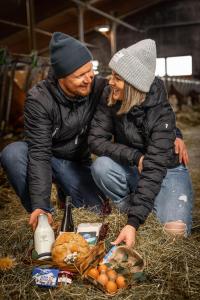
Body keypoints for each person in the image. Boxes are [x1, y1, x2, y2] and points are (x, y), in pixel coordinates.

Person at [0, 33, 187, 231]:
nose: (89, 78)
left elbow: (142, 100)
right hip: (47, 158)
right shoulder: (39, 100)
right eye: (80, 75)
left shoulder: (99, 87)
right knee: (13, 153)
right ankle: (44, 220)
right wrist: (39, 204)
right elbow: (39, 153)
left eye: (90, 70)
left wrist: (173, 133)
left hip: (77, 165)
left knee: (97, 210)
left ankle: (70, 195)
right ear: (61, 78)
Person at [88, 39, 193, 248]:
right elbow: (95, 140)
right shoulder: (110, 95)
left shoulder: (161, 113)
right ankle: (135, 206)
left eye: (117, 77)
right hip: (133, 166)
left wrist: (132, 224)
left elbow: (154, 168)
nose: (110, 81)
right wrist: (135, 157)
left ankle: (144, 208)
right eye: (111, 74)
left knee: (174, 234)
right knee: (101, 166)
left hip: (166, 169)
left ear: (133, 85)